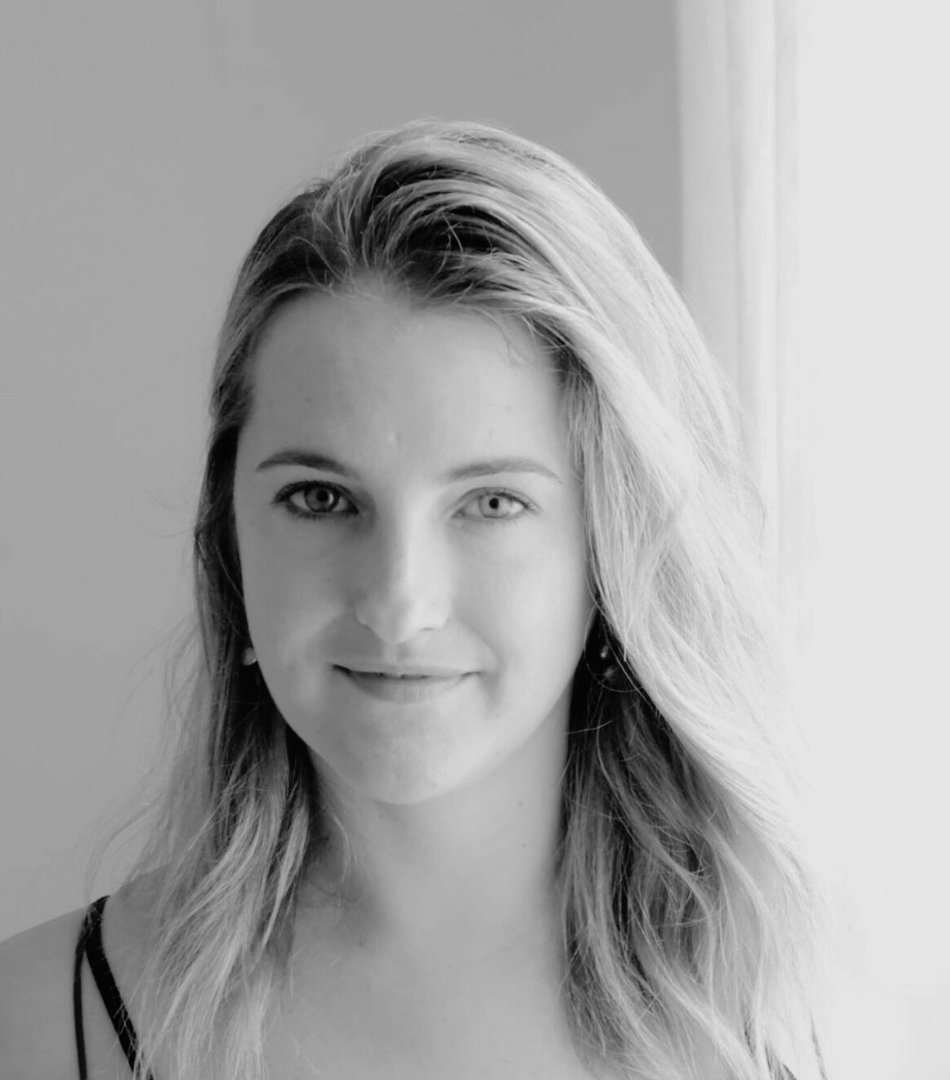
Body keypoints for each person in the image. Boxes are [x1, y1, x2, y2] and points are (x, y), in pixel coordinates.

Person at [0, 118, 828, 1080]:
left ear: (617, 544)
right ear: (229, 542)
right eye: (320, 498)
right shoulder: (36, 1028)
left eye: (490, 502)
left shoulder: (807, 1018)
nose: (397, 603)